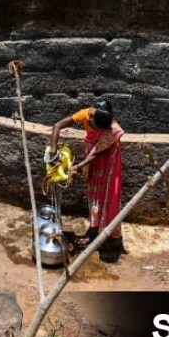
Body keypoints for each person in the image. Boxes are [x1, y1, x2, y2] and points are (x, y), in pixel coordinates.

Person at [50, 99, 125, 255]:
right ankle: (94, 229)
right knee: (94, 194)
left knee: (109, 195)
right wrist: (53, 152)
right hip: (93, 159)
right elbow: (57, 126)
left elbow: (99, 152)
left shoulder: (112, 130)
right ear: (91, 118)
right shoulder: (84, 114)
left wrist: (78, 166)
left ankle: (112, 238)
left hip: (109, 162)